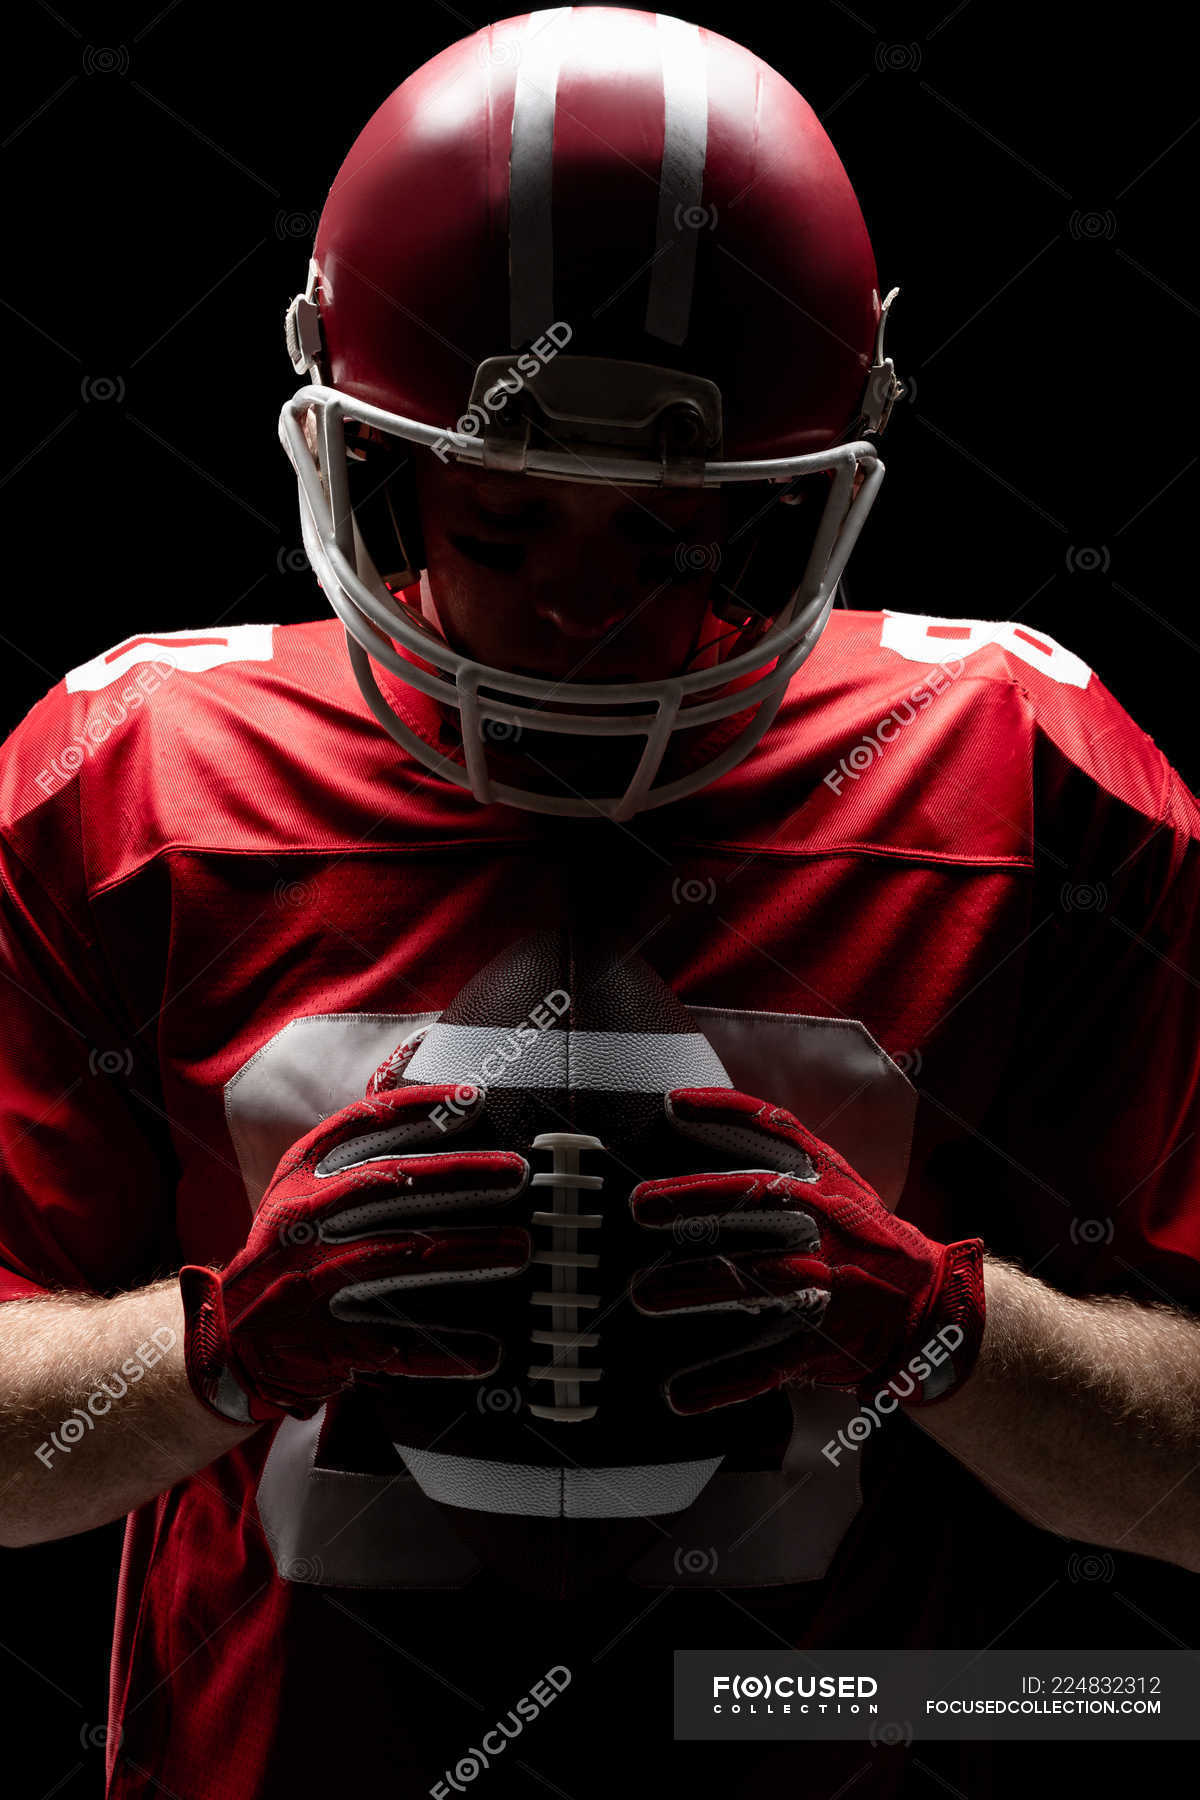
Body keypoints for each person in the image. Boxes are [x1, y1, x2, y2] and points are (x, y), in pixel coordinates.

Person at [1, 10, 1198, 1798]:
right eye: (503, 526)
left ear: (802, 501)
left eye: (670, 535)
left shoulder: (1023, 772)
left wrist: (926, 1321)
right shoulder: (122, 782)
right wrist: (224, 1343)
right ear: (380, 468)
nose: (581, 611)